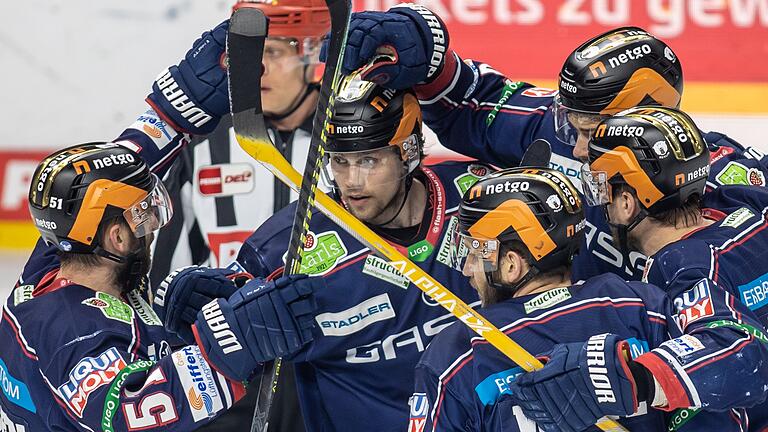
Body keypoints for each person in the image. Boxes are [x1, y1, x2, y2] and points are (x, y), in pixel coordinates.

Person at [331, 6, 768, 282]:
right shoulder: (549, 128)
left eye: (590, 131)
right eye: (570, 123)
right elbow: (465, 101)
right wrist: (422, 45)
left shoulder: (725, 174)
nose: (576, 148)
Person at [159, 69, 490, 431]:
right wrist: (197, 305)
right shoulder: (291, 245)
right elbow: (223, 314)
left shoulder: (477, 197)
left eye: (369, 161)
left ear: (408, 152)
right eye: (339, 161)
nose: (351, 181)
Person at [411, 166, 765, 431]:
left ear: (510, 264)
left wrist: (634, 380)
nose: (467, 271)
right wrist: (641, 379)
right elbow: (748, 359)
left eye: (474, 254)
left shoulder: (457, 354)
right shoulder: (642, 303)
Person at [0, 142, 322, 431]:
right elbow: (132, 412)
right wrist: (233, 342)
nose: (152, 228)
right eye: (144, 216)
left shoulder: (48, 265)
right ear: (118, 238)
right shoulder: (76, 334)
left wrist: (170, 329)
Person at [506, 106, 768, 431]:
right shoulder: (742, 200)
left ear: (628, 203)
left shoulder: (681, 267)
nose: (599, 203)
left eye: (601, 190)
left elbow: (742, 353)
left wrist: (635, 379)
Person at [145, 2, 331, 430]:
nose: (259, 69)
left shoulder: (353, 144)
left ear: (313, 58)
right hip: (234, 362)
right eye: (252, 55)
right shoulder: (205, 143)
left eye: (276, 53)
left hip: (330, 364)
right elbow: (166, 269)